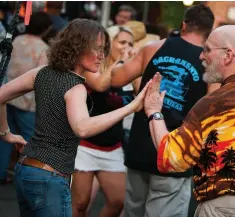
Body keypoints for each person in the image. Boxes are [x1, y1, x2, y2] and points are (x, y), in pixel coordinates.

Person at [0, 19, 149, 217]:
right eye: (96, 49)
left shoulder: (41, 73)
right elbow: (83, 128)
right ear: (77, 47)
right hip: (49, 177)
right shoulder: (75, 86)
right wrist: (131, 107)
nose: (101, 56)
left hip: (25, 170)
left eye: (104, 49)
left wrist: (6, 133)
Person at [143, 25, 235, 216]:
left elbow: (172, 157)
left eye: (207, 50)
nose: (201, 56)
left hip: (223, 208)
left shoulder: (213, 105)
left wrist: (154, 111)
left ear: (228, 55)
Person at [110, 4, 217, 217]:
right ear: (209, 33)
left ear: (184, 24)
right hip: (175, 156)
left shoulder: (154, 48)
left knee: (133, 212)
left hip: (140, 147)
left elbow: (116, 78)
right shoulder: (209, 64)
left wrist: (121, 59)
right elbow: (212, 112)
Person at [72, 25, 136, 217]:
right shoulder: (93, 66)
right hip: (86, 144)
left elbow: (140, 90)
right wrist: (120, 61)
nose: (126, 46)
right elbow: (100, 85)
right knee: (81, 203)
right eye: (122, 42)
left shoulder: (127, 68)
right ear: (110, 43)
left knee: (118, 202)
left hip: (112, 146)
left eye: (130, 44)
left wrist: (134, 65)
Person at [0, 12, 52, 185]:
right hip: (27, 102)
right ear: (45, 29)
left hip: (8, 96)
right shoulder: (44, 48)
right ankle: (28, 178)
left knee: (6, 136)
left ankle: (1, 173)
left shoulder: (17, 40)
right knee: (30, 141)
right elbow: (39, 79)